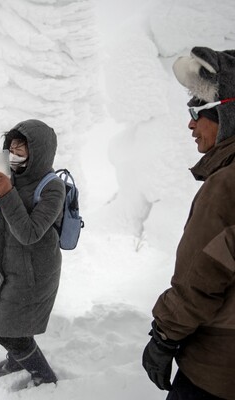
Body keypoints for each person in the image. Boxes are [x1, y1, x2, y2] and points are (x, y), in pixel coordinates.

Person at [142, 46, 235, 400]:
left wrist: (164, 338)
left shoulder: (226, 184)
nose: (190, 123)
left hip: (216, 370)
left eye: (198, 110)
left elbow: (201, 278)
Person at [0, 119, 65, 386]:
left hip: (33, 272)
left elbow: (30, 233)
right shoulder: (10, 176)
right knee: (6, 324)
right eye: (11, 147)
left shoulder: (52, 186)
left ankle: (44, 376)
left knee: (9, 332)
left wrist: (8, 192)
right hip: (4, 264)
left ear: (37, 151)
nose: (13, 153)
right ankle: (18, 359)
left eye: (20, 148)